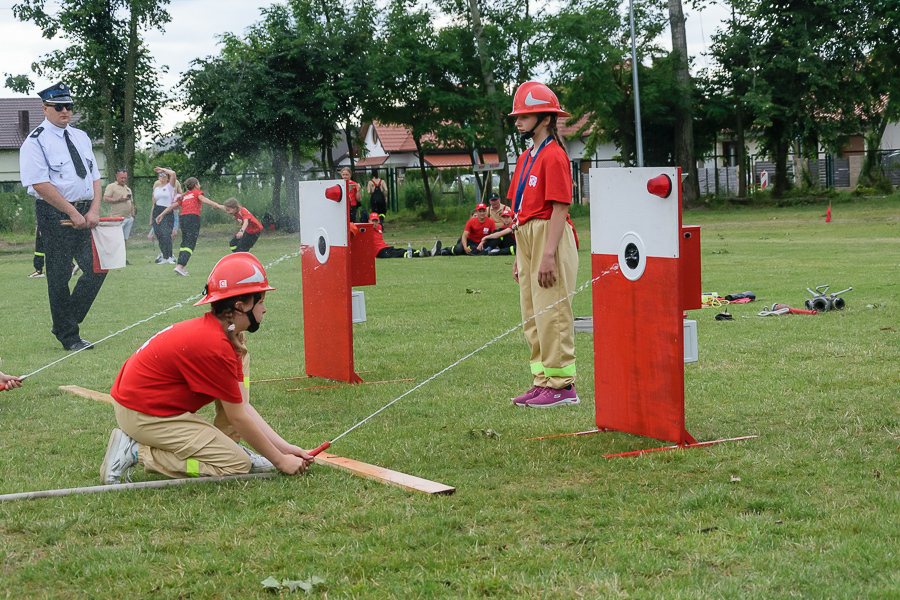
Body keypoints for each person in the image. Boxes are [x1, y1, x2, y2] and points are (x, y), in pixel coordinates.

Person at [100, 253, 314, 484]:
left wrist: (285, 449)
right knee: (236, 464)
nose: (264, 310)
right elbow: (239, 416)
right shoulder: (215, 346)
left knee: (242, 361)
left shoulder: (229, 337)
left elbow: (241, 406)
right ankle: (136, 452)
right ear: (240, 307)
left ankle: (230, 447)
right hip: (143, 415)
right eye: (260, 301)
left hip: (145, 407)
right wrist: (280, 462)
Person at [507, 81, 579, 408]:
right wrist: (520, 258)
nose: (518, 121)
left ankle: (563, 386)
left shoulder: (554, 155)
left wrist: (548, 254)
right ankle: (542, 381)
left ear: (546, 119)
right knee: (532, 314)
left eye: (526, 115)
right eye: (518, 115)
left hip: (549, 234)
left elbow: (560, 207)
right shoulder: (526, 157)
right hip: (527, 236)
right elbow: (519, 209)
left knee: (552, 312)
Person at [19, 82, 105, 351]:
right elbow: (40, 183)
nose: (65, 110)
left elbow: (95, 177)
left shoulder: (81, 136)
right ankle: (69, 336)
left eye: (68, 106)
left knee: (97, 268)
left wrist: (93, 210)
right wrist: (70, 210)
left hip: (84, 208)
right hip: (53, 212)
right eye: (58, 106)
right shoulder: (35, 142)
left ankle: (65, 322)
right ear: (45, 108)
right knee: (59, 275)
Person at [155, 176, 224, 276]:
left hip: (183, 218)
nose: (199, 185)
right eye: (199, 183)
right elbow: (203, 199)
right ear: (196, 185)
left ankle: (179, 264)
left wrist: (161, 214)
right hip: (192, 218)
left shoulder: (185, 195)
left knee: (185, 242)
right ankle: (180, 266)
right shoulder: (197, 193)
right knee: (190, 243)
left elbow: (172, 206)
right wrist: (214, 204)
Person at [367, 212, 435, 258]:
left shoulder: (379, 227)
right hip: (380, 252)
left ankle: (428, 252)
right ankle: (419, 254)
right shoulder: (366, 230)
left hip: (385, 247)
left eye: (376, 221)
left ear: (378, 221)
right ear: (369, 221)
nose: (374, 223)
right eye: (373, 221)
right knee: (399, 253)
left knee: (400, 250)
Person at [103, 169, 135, 258]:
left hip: (128, 217)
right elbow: (105, 199)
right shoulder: (112, 186)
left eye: (125, 178)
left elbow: (131, 203)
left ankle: (122, 257)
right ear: (117, 177)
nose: (123, 180)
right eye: (121, 178)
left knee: (125, 238)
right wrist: (118, 200)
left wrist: (133, 215)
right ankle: (113, 257)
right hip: (117, 217)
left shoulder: (127, 188)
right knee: (116, 238)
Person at [150, 167, 179, 264]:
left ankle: (169, 256)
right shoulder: (156, 189)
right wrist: (151, 218)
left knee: (166, 234)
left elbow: (173, 173)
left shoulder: (170, 186)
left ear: (168, 177)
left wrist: (162, 169)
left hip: (166, 211)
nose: (162, 177)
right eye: (160, 175)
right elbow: (154, 204)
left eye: (164, 175)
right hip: (157, 211)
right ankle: (164, 256)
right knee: (159, 235)